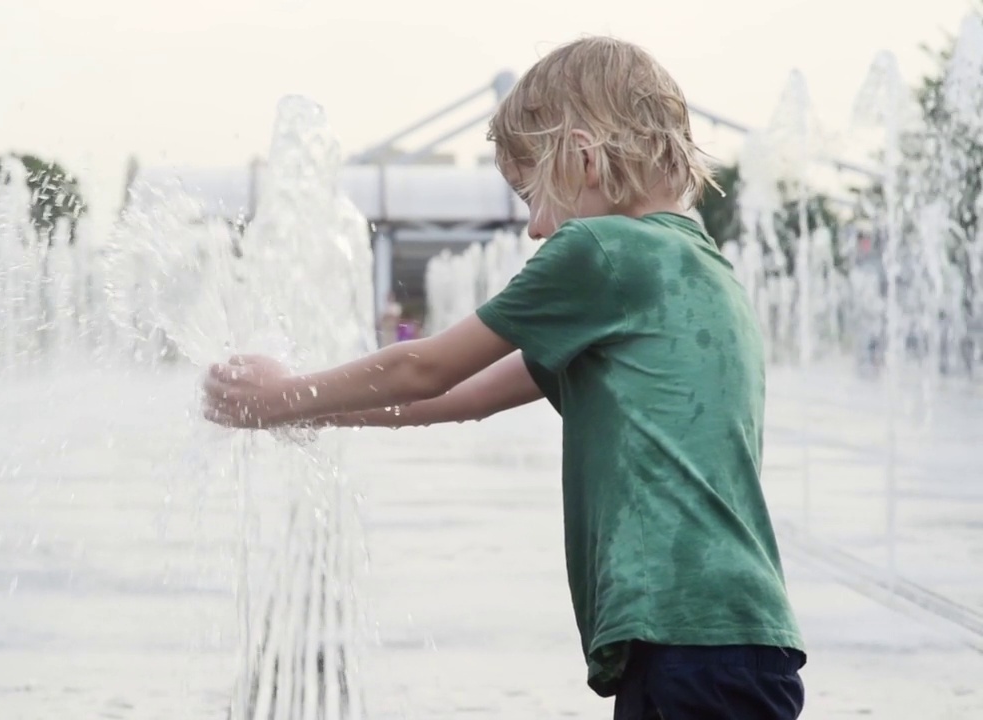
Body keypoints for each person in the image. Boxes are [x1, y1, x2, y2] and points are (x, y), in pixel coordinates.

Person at [203, 36, 805, 720]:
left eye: (532, 196)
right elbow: (465, 400)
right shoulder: (700, 268)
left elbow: (427, 368)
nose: (534, 230)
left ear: (582, 155)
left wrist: (280, 395)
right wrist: (306, 411)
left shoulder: (602, 249)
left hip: (684, 638)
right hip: (732, 639)